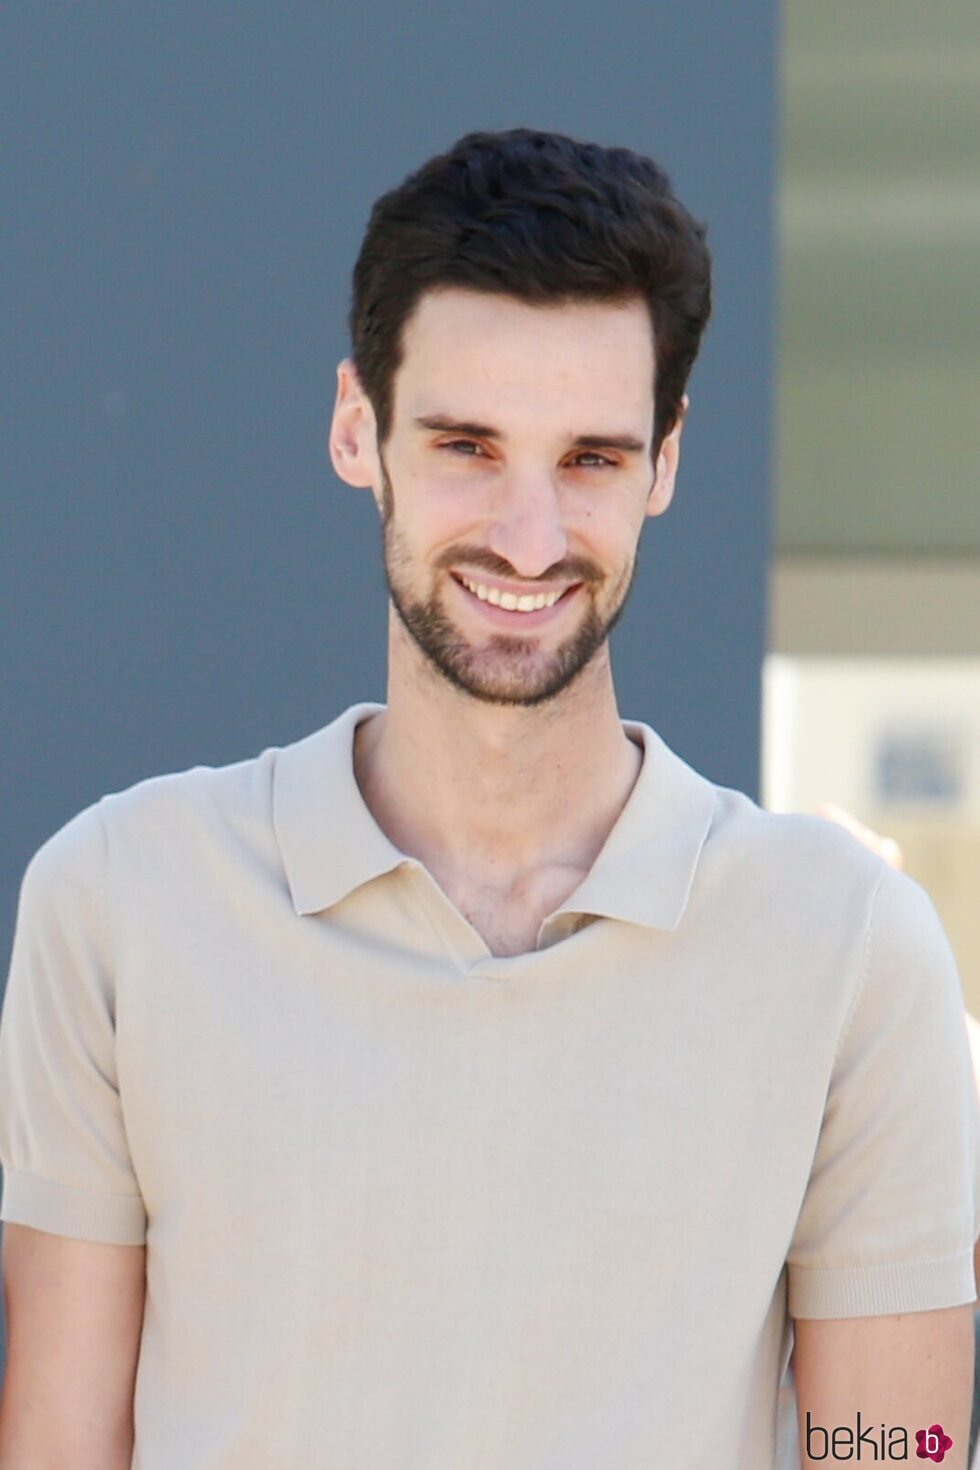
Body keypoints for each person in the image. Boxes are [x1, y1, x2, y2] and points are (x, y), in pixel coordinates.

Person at [0, 127, 976, 1469]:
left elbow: (895, 1452)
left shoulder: (851, 949)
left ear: (667, 461)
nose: (528, 538)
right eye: (467, 445)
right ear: (360, 428)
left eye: (589, 459)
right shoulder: (117, 905)